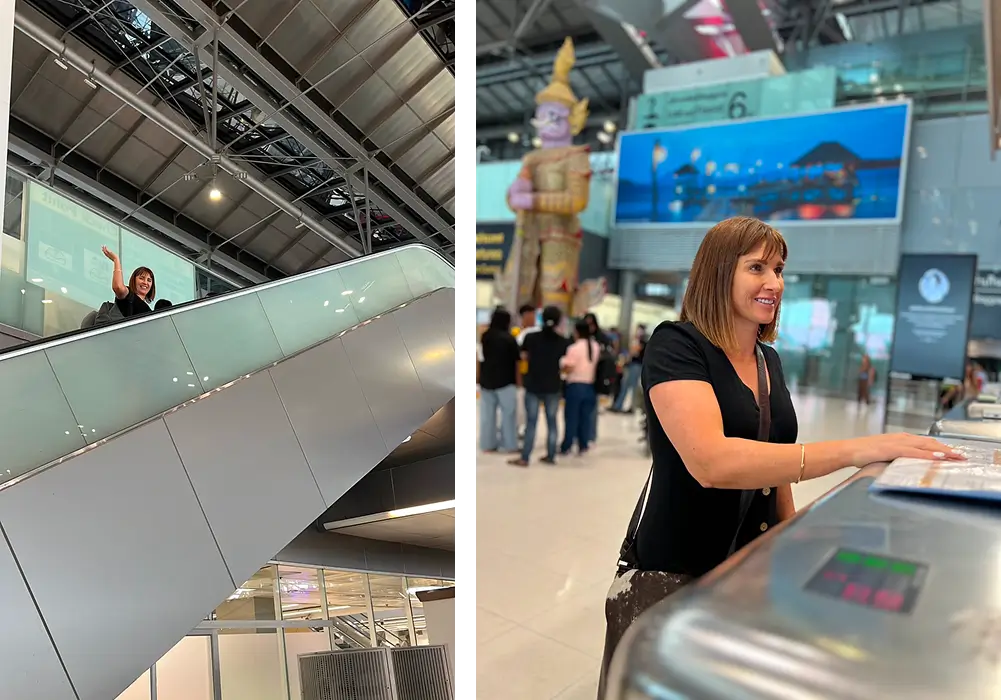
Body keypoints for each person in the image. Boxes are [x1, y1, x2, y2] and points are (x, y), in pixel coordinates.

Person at [597, 216, 962, 694]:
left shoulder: (768, 360)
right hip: (680, 571)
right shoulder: (678, 345)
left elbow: (776, 461)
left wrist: (790, 539)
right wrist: (859, 449)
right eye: (757, 268)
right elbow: (712, 462)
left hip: (749, 573)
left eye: (779, 269)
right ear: (718, 272)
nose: (774, 282)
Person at [508, 306, 569, 467]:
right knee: (552, 422)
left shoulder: (531, 337)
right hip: (553, 386)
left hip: (533, 384)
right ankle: (551, 455)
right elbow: (564, 364)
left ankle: (525, 457)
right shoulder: (563, 341)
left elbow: (523, 357)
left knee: (531, 423)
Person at [477, 308, 521, 453]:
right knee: (508, 414)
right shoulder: (509, 339)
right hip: (506, 382)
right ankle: (508, 445)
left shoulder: (485, 336)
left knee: (487, 416)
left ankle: (487, 445)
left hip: (487, 380)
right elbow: (516, 362)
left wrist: (479, 378)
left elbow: (481, 358)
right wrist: (519, 382)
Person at [559, 319, 600, 456]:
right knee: (585, 418)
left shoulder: (574, 348)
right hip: (590, 386)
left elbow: (569, 368)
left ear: (576, 332)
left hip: (575, 386)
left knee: (571, 418)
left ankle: (567, 445)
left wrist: (562, 365)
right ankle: (583, 444)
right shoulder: (595, 346)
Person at [101, 246, 155, 317]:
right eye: (141, 278)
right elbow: (118, 287)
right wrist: (116, 260)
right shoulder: (129, 296)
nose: (145, 282)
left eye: (149, 280)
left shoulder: (150, 314)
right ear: (134, 280)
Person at [610, 324, 648, 413]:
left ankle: (621, 406)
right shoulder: (640, 342)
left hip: (636, 365)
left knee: (628, 386)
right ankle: (627, 406)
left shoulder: (641, 342)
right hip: (634, 365)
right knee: (630, 386)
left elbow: (634, 353)